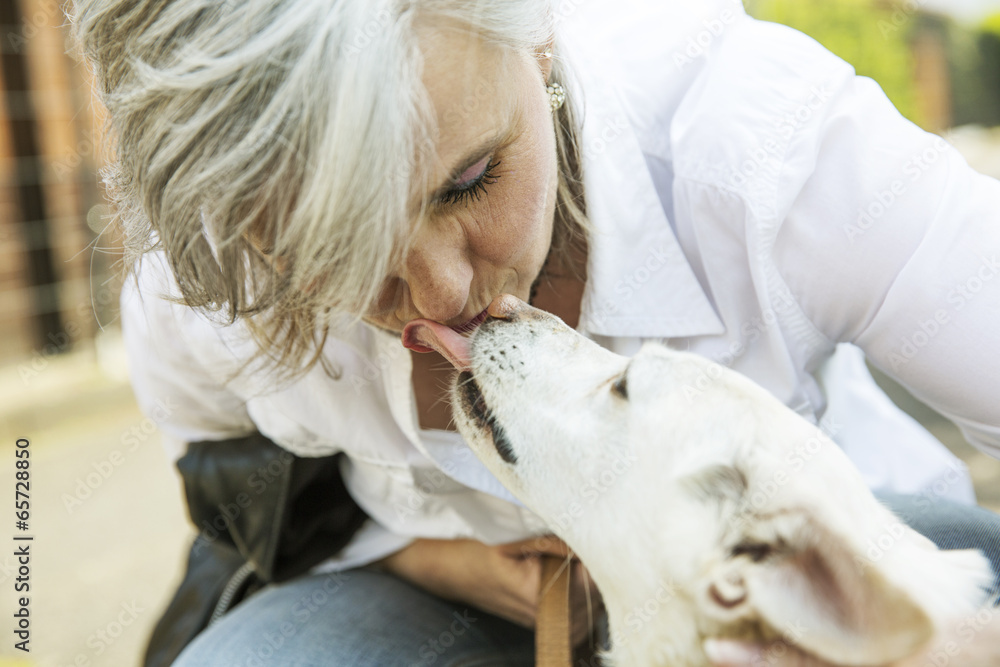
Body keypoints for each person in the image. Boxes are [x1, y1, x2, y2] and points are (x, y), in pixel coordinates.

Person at [70, 0, 1000, 665]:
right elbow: (225, 471)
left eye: (471, 180)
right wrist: (433, 556)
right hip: (428, 609)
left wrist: (941, 650)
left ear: (541, 43)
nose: (437, 295)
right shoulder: (208, 281)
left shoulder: (767, 146)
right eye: (336, 247)